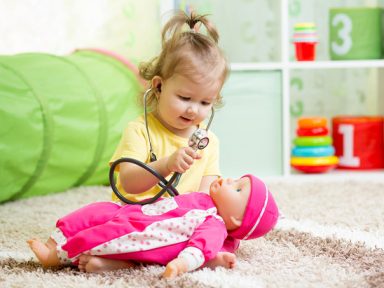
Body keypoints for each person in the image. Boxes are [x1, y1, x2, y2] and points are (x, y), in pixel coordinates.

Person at [96, 10, 235, 271]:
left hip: (179, 223)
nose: (194, 110)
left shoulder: (209, 141)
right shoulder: (139, 130)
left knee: (219, 227)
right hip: (138, 216)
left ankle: (152, 258)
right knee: (104, 221)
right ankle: (189, 258)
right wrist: (167, 164)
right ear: (158, 87)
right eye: (184, 98)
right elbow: (128, 182)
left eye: (205, 102)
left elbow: (205, 197)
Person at [27, 174, 279, 278]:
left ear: (236, 220)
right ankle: (57, 242)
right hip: (138, 213)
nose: (228, 180)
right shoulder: (207, 201)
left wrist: (182, 264)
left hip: (144, 233)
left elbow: (200, 249)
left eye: (236, 188)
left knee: (105, 235)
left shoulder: (215, 224)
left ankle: (56, 256)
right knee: (97, 210)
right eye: (237, 180)